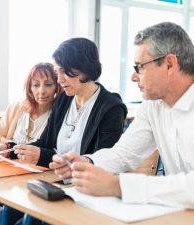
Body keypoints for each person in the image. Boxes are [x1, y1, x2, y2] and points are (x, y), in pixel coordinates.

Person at [50, 22, 194, 210]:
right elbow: (124, 154)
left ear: (169, 64)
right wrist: (85, 163)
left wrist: (118, 186)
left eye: (139, 67)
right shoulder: (153, 105)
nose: (133, 77)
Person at [0, 37, 128, 224]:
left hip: (83, 191)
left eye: (64, 72)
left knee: (24, 220)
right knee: (7, 212)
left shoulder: (111, 107)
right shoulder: (65, 99)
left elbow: (101, 162)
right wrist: (11, 148)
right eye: (58, 73)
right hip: (55, 182)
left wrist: (41, 155)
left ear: (83, 67)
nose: (59, 80)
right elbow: (45, 143)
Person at [0, 62, 62, 224]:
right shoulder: (18, 107)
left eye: (48, 84)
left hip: (36, 176)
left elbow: (46, 150)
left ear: (57, 86)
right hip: (7, 172)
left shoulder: (59, 115)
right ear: (29, 87)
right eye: (36, 85)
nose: (42, 91)